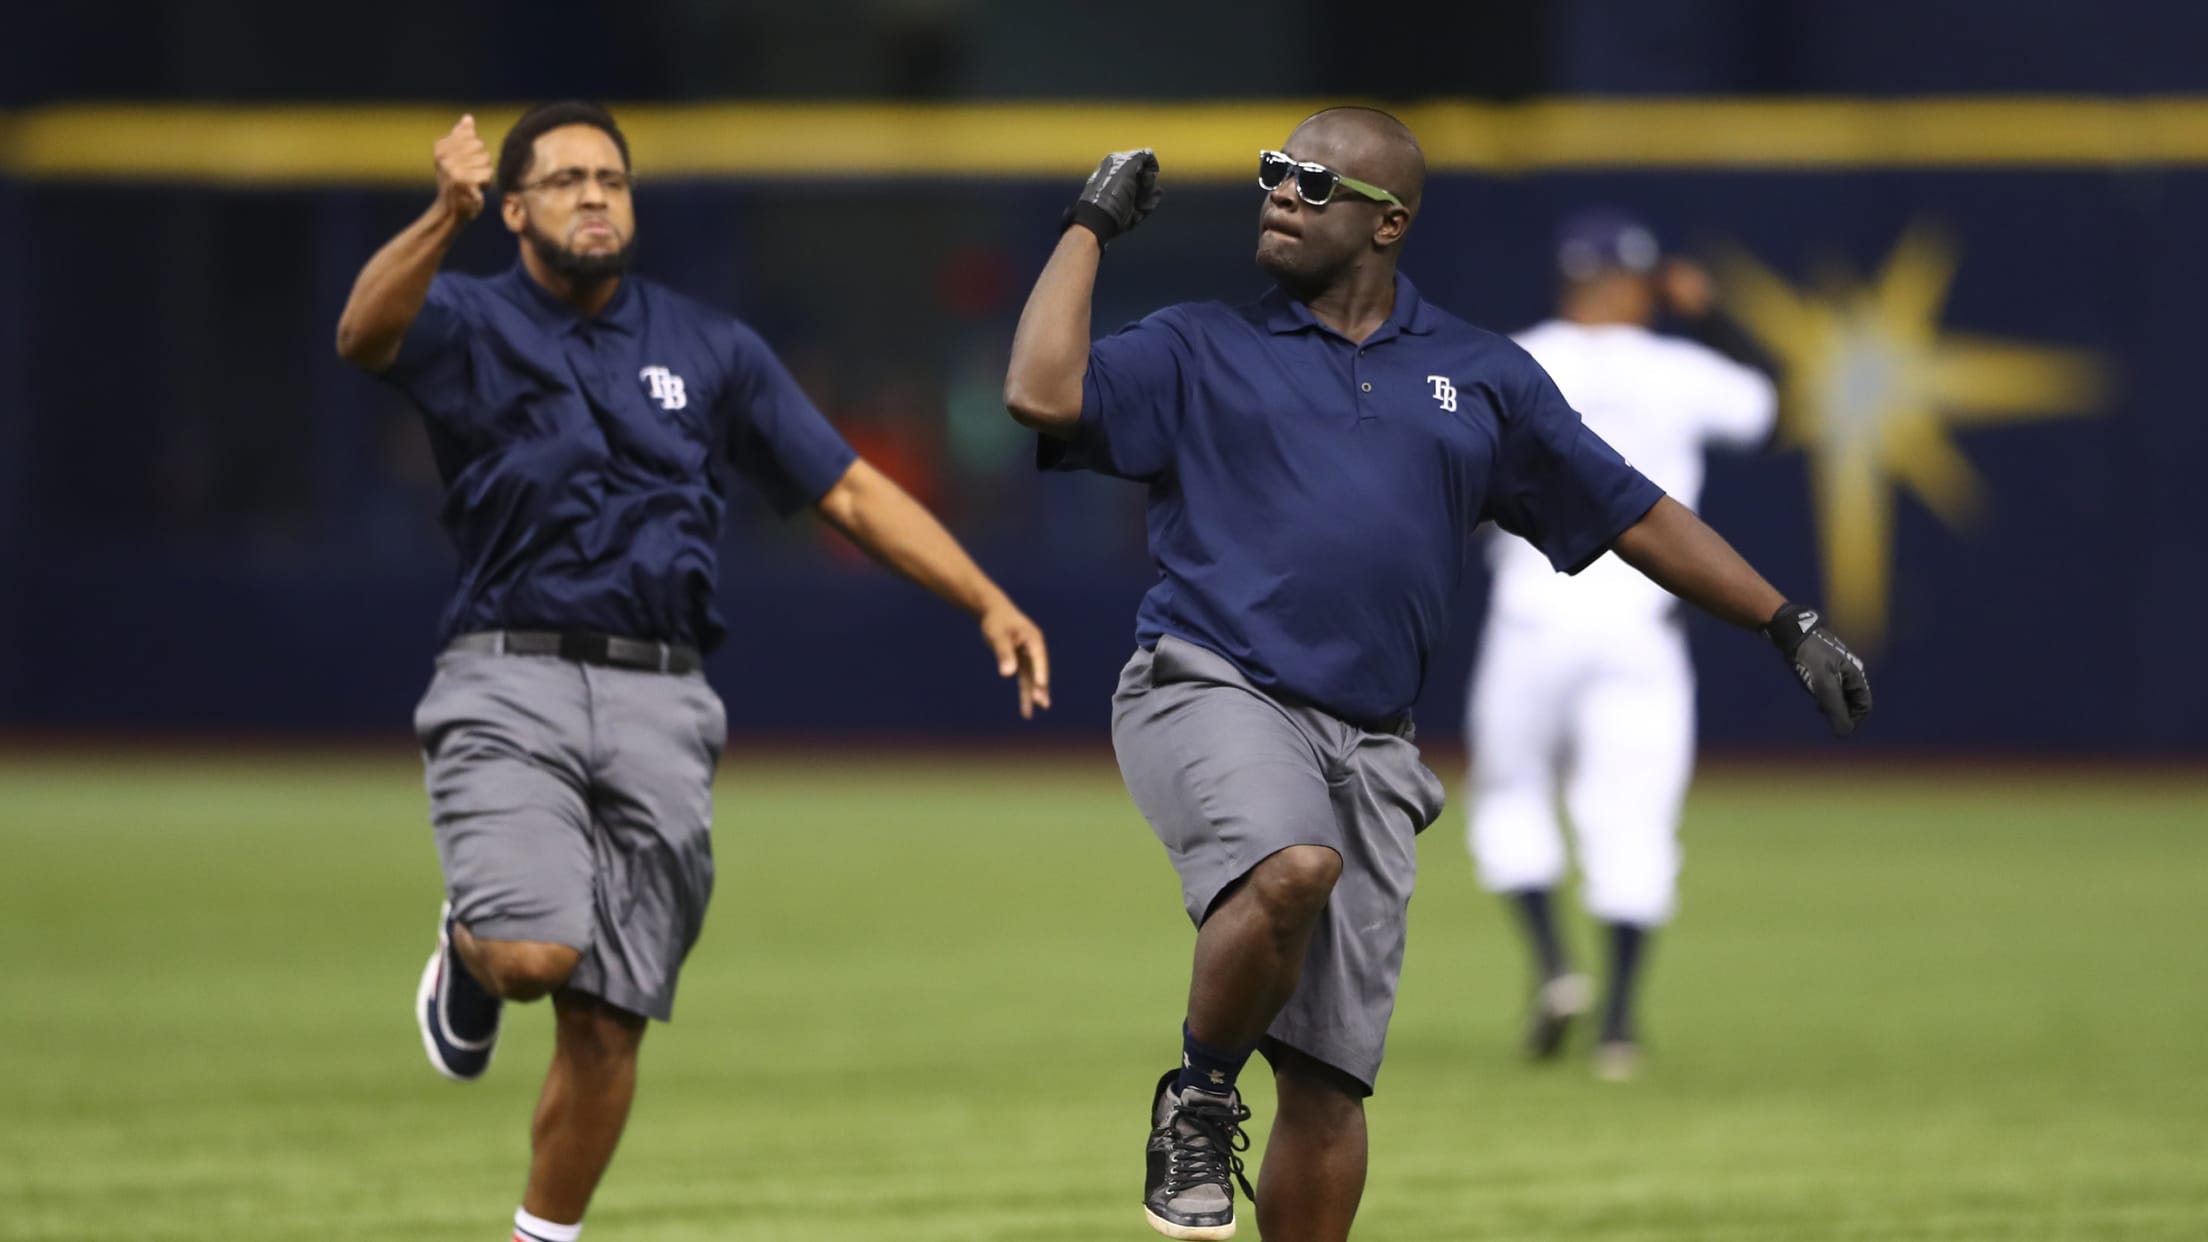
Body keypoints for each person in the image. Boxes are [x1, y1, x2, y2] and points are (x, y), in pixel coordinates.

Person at [1002, 110, 1869, 1242]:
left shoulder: (1482, 375)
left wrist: (1785, 621)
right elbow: (1042, 393)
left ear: (1388, 221)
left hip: (1373, 740)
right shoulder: (1197, 344)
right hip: (1208, 683)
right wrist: (1087, 227)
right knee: (1292, 862)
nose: (1282, 194)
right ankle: (1201, 1092)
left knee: (1327, 1084)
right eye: (1274, 174)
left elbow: (1633, 512)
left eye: (1314, 183)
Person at [334, 101, 1050, 1242]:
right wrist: (439, 217)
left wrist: (985, 596)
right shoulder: (466, 317)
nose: (593, 196)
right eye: (565, 180)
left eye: (611, 179)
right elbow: (362, 336)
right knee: (533, 955)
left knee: (612, 1015)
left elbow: (849, 491)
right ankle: (470, 949)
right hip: (509, 672)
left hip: (663, 693)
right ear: (514, 208)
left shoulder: (708, 347)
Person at [1466, 208, 1782, 1082]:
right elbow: (1771, 402)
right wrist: (1710, 312)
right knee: (1632, 820)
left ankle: (1555, 964)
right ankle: (1617, 1025)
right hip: (1641, 622)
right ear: (1640, 283)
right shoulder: (1680, 367)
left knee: (1511, 797)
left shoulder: (1513, 356)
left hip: (1531, 613)